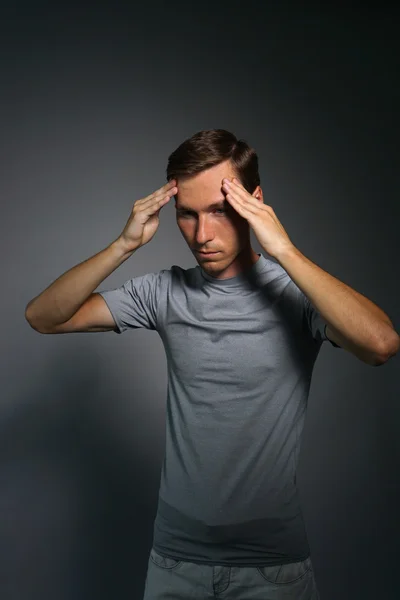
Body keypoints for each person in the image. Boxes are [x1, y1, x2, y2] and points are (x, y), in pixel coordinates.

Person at [25, 129, 399, 599]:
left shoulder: (296, 295)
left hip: (271, 569)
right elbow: (43, 317)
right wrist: (123, 246)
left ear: (253, 202)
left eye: (219, 211)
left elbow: (381, 343)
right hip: (175, 563)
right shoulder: (164, 292)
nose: (202, 236)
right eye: (188, 215)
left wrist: (282, 248)